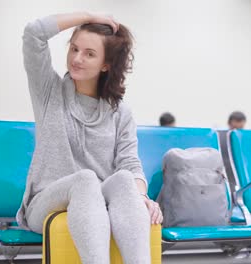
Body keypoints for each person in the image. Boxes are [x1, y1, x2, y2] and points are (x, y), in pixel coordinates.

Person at [17, 12, 162, 263]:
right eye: (74, 49)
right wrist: (89, 17)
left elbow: (130, 164)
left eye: (89, 53)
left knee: (124, 179)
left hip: (98, 202)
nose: (77, 58)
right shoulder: (49, 91)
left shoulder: (121, 112)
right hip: (46, 201)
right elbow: (33, 33)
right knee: (85, 179)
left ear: (106, 64)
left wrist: (142, 198)